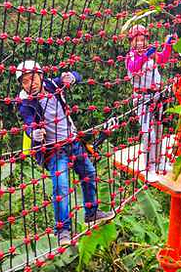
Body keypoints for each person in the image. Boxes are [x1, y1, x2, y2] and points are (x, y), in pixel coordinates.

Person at [15, 60, 113, 246]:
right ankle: (63, 231)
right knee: (61, 187)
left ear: (41, 76)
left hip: (73, 142)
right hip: (54, 150)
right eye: (26, 81)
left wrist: (72, 77)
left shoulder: (51, 84)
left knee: (89, 174)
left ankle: (92, 213)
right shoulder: (26, 103)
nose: (31, 83)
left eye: (33, 77)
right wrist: (33, 133)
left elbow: (75, 76)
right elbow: (28, 122)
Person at [125, 25, 176, 182]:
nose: (140, 43)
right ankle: (149, 168)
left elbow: (163, 59)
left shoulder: (150, 54)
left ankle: (160, 163)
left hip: (156, 97)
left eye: (142, 40)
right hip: (141, 99)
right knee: (148, 134)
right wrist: (147, 54)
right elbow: (134, 69)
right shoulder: (130, 56)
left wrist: (168, 44)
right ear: (132, 42)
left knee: (159, 131)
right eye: (137, 40)